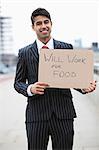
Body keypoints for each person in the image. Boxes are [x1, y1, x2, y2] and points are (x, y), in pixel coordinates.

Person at [14, 8, 96, 150]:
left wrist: (83, 87)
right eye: (38, 23)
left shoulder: (66, 48)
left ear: (51, 24)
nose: (43, 26)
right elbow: (17, 83)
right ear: (33, 27)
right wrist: (30, 88)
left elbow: (71, 77)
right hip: (36, 115)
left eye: (46, 22)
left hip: (63, 113)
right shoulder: (24, 53)